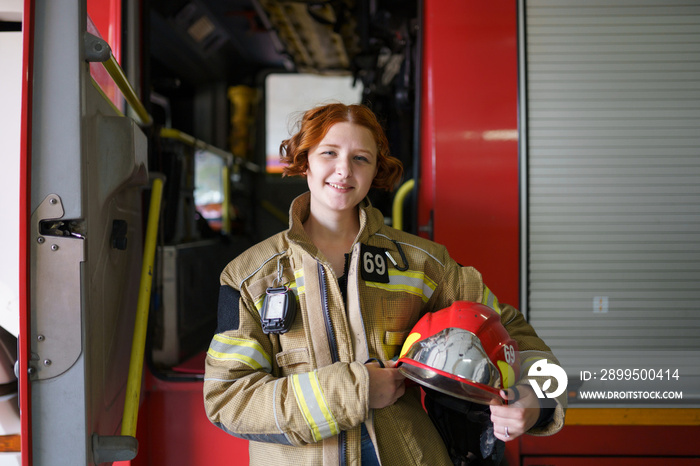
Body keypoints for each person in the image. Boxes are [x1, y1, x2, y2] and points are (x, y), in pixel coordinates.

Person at [203, 103, 566, 465]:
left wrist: (536, 398)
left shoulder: (423, 264)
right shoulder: (250, 276)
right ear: (305, 160)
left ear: (377, 169)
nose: (344, 170)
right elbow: (229, 400)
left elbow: (509, 330)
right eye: (329, 153)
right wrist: (357, 390)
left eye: (361, 158)